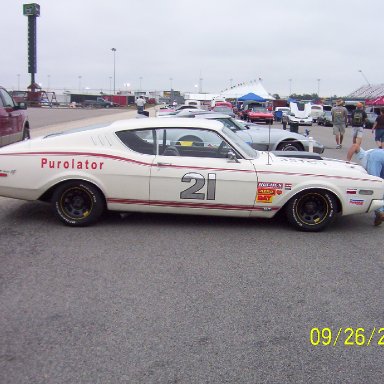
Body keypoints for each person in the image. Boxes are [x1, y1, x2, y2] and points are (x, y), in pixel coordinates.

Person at [347, 143, 384, 226]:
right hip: (380, 155)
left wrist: (347, 161)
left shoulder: (364, 155)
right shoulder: (368, 152)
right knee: (381, 186)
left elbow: (354, 145)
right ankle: (380, 211)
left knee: (375, 184)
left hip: (375, 157)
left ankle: (380, 212)